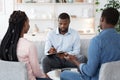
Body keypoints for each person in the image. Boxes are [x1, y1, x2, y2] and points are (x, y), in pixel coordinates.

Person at [60, 7, 120, 80]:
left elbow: (90, 72)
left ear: (102, 19)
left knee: (63, 74)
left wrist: (74, 61)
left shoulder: (97, 41)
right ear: (116, 22)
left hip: (96, 78)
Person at [0, 10, 51, 80]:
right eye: (28, 22)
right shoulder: (29, 46)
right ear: (24, 24)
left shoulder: (4, 43)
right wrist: (45, 76)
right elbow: (36, 72)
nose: (29, 25)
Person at [42, 12, 87, 77]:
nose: (62, 26)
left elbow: (77, 51)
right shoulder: (51, 34)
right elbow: (46, 51)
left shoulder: (75, 33)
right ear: (58, 22)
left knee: (83, 58)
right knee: (44, 60)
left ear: (69, 22)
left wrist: (66, 54)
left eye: (65, 24)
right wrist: (50, 51)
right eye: (60, 24)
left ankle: (80, 78)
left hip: (69, 59)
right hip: (56, 59)